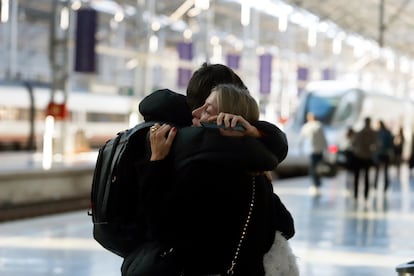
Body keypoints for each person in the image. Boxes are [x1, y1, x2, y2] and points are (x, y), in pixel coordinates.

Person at [130, 84, 295, 275]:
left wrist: (157, 161)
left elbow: (160, 228)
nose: (196, 112)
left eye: (207, 109)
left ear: (225, 121)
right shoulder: (258, 175)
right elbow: (286, 226)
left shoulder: (202, 169)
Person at [299, 112, 327, 195]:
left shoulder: (307, 126)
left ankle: (315, 185)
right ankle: (318, 184)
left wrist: (300, 149)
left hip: (312, 150)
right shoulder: (320, 125)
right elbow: (324, 139)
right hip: (320, 150)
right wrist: (326, 149)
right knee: (319, 168)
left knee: (314, 168)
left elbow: (301, 138)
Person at [351, 117, 378, 200]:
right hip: (367, 157)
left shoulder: (359, 133)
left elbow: (353, 143)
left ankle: (356, 194)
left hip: (358, 156)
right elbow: (376, 145)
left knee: (357, 176)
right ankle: (366, 195)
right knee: (366, 177)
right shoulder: (373, 133)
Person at [374, 120, 394, 192]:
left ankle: (376, 185)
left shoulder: (379, 133)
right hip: (385, 154)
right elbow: (391, 144)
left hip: (381, 154)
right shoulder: (387, 133)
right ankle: (385, 185)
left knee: (378, 170)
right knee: (385, 171)